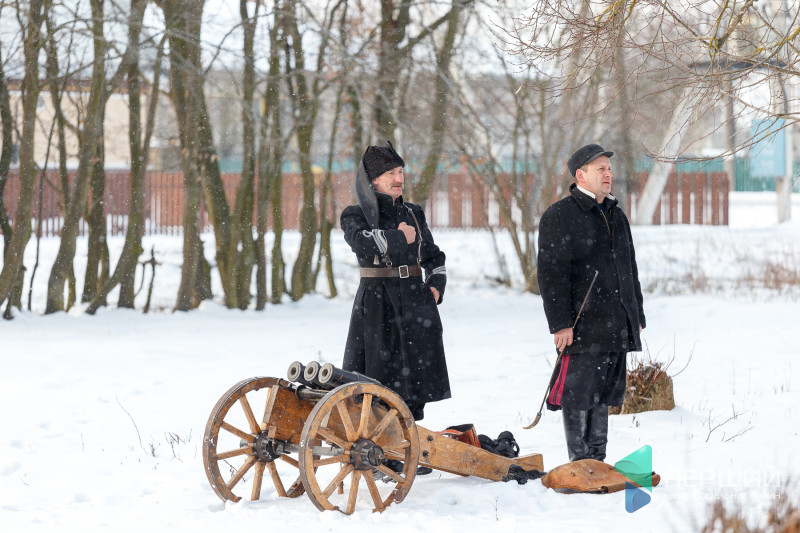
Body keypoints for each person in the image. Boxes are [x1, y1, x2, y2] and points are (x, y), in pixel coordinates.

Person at [537, 143, 646, 463]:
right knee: (577, 394)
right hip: (582, 325)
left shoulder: (616, 214)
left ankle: (597, 461)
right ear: (580, 175)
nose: (608, 174)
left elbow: (629, 268)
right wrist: (560, 324)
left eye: (609, 169)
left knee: (604, 394)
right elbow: (551, 275)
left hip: (616, 322)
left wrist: (635, 314)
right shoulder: (560, 215)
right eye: (601, 169)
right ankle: (579, 462)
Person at [340, 141, 450, 423]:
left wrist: (436, 286)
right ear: (374, 180)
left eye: (400, 172)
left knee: (415, 382)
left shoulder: (413, 213)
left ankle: (410, 438)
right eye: (391, 173)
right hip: (377, 306)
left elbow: (433, 256)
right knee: (377, 381)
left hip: (415, 303)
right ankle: (380, 442)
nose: (399, 178)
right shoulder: (355, 214)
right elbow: (361, 242)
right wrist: (400, 238)